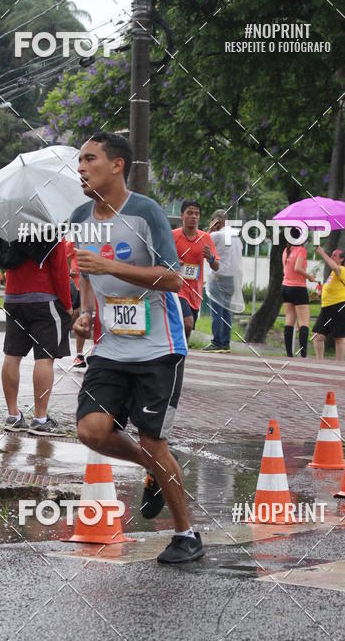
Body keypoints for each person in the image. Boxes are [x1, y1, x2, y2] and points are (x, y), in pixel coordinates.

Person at [72, 131, 201, 565]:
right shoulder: (79, 216)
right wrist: (86, 309)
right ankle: (152, 468)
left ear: (117, 165)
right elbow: (87, 274)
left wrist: (112, 265)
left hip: (158, 348)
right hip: (110, 347)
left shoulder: (145, 213)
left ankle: (187, 534)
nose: (82, 167)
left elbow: (173, 278)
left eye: (90, 159)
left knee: (153, 440)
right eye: (80, 161)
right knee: (91, 430)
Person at [1, 232, 73, 435]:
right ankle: (40, 419)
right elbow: (60, 271)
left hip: (13, 297)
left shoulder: (9, 227)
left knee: (12, 356)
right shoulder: (51, 229)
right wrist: (67, 304)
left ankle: (13, 416)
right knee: (44, 358)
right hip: (43, 298)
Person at [172, 200, 219, 342]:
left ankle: (178, 356)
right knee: (187, 323)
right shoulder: (172, 236)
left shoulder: (205, 238)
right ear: (182, 215)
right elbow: (160, 259)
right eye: (190, 213)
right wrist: (174, 263)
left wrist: (210, 258)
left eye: (197, 214)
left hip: (195, 293)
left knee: (187, 330)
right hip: (176, 289)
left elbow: (216, 266)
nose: (194, 216)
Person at [203, 209, 244, 352]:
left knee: (216, 311)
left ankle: (217, 342)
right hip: (232, 278)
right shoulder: (236, 237)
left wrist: (209, 229)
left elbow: (200, 242)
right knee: (227, 311)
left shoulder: (216, 235)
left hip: (218, 277)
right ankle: (226, 342)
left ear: (216, 222)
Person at [312, 245, 345, 361]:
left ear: (341, 259)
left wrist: (322, 253)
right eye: (331, 254)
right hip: (327, 307)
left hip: (342, 306)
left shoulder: (343, 270)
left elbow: (335, 267)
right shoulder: (333, 274)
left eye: (334, 255)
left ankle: (339, 365)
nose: (331, 256)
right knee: (317, 335)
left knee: (339, 337)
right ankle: (320, 363)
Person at [280, 230, 319, 358]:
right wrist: (309, 277)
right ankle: (303, 354)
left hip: (285, 287)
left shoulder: (286, 251)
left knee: (289, 320)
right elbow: (297, 268)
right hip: (298, 288)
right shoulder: (301, 250)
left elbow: (287, 269)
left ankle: (289, 354)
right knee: (304, 322)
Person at [65, 240, 86, 368]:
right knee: (76, 317)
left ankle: (80, 355)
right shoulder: (72, 243)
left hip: (94, 286)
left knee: (82, 318)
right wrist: (67, 272)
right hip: (77, 288)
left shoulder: (100, 238)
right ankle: (78, 355)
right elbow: (59, 257)